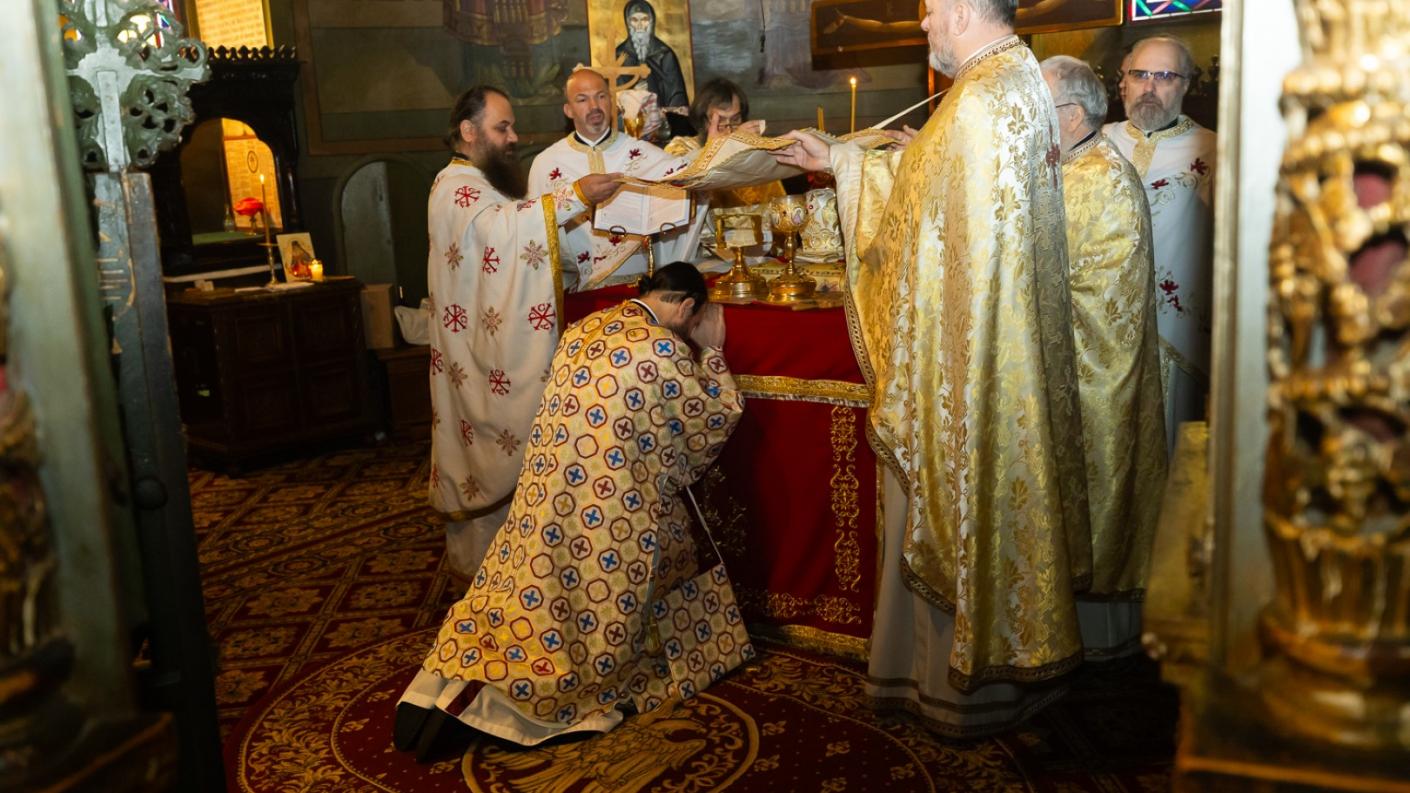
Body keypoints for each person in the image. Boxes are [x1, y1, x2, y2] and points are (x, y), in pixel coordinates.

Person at [772, 0, 1091, 735]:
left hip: (966, 360)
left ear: (961, 7)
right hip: (998, 344)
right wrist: (849, 159)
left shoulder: (982, 98)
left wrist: (844, 164)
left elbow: (923, 224)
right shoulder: (1010, 80)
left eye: (927, 10)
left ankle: (959, 687)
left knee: (955, 502)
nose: (921, 25)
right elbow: (936, 194)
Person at [396, 262, 745, 753]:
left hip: (542, 496)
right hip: (610, 509)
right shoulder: (661, 347)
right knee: (594, 613)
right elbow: (709, 421)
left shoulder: (585, 327)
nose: (689, 330)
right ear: (687, 307)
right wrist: (711, 351)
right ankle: (489, 706)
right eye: (692, 321)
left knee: (523, 593)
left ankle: (443, 684)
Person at [427, 85, 621, 580]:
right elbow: (502, 233)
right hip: (478, 357)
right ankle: (490, 574)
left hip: (480, 341)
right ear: (469, 132)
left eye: (512, 126)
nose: (514, 137)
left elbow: (513, 234)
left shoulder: (478, 183)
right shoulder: (456, 187)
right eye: (502, 128)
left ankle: (518, 570)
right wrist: (575, 195)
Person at [1043, 54, 1168, 658]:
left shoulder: (1101, 179)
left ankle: (1099, 640)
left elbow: (1105, 298)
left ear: (1068, 115)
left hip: (1096, 372)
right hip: (1067, 365)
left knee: (1096, 493)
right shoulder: (1068, 165)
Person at [1103, 35, 1216, 453]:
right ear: (1124, 83)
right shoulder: (1097, 143)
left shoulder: (1213, 150)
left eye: (1165, 76)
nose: (1150, 87)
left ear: (1185, 84)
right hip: (1102, 329)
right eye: (1140, 75)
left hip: (1176, 332)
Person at [528, 69, 704, 289]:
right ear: (568, 110)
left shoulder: (642, 152)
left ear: (611, 101)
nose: (594, 106)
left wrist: (718, 144)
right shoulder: (546, 164)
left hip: (638, 284)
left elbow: (692, 174)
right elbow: (533, 229)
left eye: (601, 96)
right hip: (579, 289)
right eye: (582, 99)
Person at [665, 78, 784, 211]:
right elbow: (678, 184)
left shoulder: (753, 152)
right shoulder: (681, 147)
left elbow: (775, 207)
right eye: (720, 120)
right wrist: (717, 149)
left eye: (735, 119)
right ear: (703, 121)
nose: (729, 129)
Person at [615, 0, 689, 113]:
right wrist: (633, 94)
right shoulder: (619, 55)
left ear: (651, 21)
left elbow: (677, 96)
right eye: (634, 20)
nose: (639, 25)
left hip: (663, 122)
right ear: (628, 23)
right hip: (629, 124)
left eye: (644, 19)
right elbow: (612, 96)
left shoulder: (664, 54)